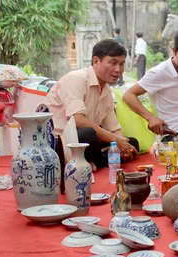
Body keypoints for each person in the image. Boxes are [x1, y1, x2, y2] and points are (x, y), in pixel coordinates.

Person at [45, 39, 139, 168]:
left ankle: (95, 161)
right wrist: (116, 140)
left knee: (133, 143)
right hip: (59, 142)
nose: (118, 69)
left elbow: (113, 127)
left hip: (88, 142)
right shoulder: (76, 79)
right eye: (113, 63)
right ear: (96, 61)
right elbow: (77, 120)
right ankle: (95, 161)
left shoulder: (106, 89)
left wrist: (123, 146)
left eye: (122, 64)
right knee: (88, 134)